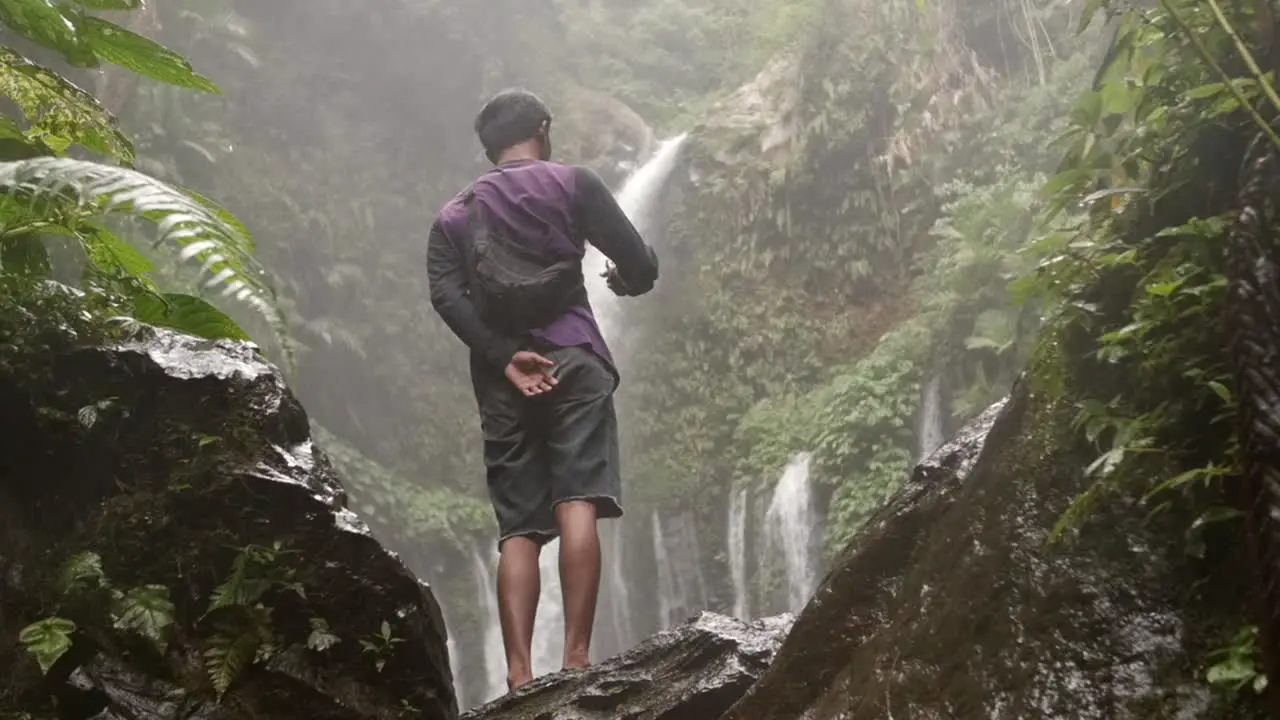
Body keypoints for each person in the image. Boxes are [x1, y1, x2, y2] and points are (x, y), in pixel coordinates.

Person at [426, 88, 659, 692]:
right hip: (575, 358)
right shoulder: (574, 184)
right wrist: (625, 281)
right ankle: (577, 661)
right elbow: (639, 262)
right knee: (577, 499)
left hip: (505, 379)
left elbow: (447, 297)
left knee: (519, 529)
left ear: (489, 148)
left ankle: (520, 677)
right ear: (544, 128)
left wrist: (506, 358)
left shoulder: (455, 214)